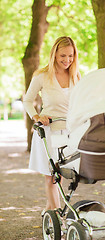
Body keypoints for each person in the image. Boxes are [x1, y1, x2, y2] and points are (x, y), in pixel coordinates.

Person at [23, 36, 80, 212]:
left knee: (61, 176)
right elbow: (27, 100)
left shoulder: (75, 75)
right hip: (48, 131)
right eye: (63, 56)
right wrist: (36, 117)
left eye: (70, 56)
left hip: (68, 132)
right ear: (54, 54)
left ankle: (49, 213)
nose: (67, 60)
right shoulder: (42, 75)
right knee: (51, 177)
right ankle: (58, 218)